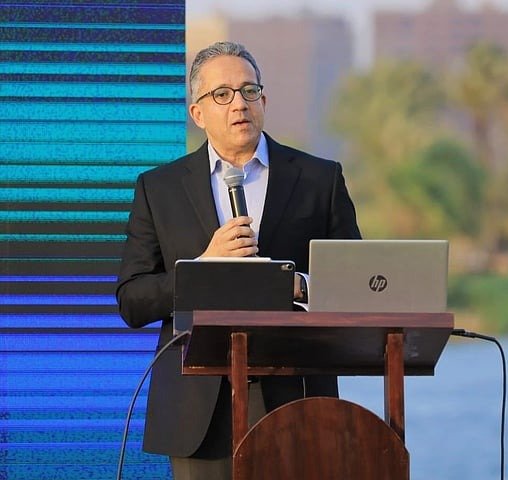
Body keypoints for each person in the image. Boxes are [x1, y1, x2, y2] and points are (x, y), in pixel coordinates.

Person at [115, 41, 361, 479]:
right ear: (198, 113)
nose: (239, 104)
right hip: (198, 407)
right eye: (222, 94)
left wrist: (299, 285)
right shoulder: (159, 188)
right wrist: (202, 267)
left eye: (249, 91)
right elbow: (132, 300)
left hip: (297, 394)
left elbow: (358, 283)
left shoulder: (319, 179)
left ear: (264, 101)